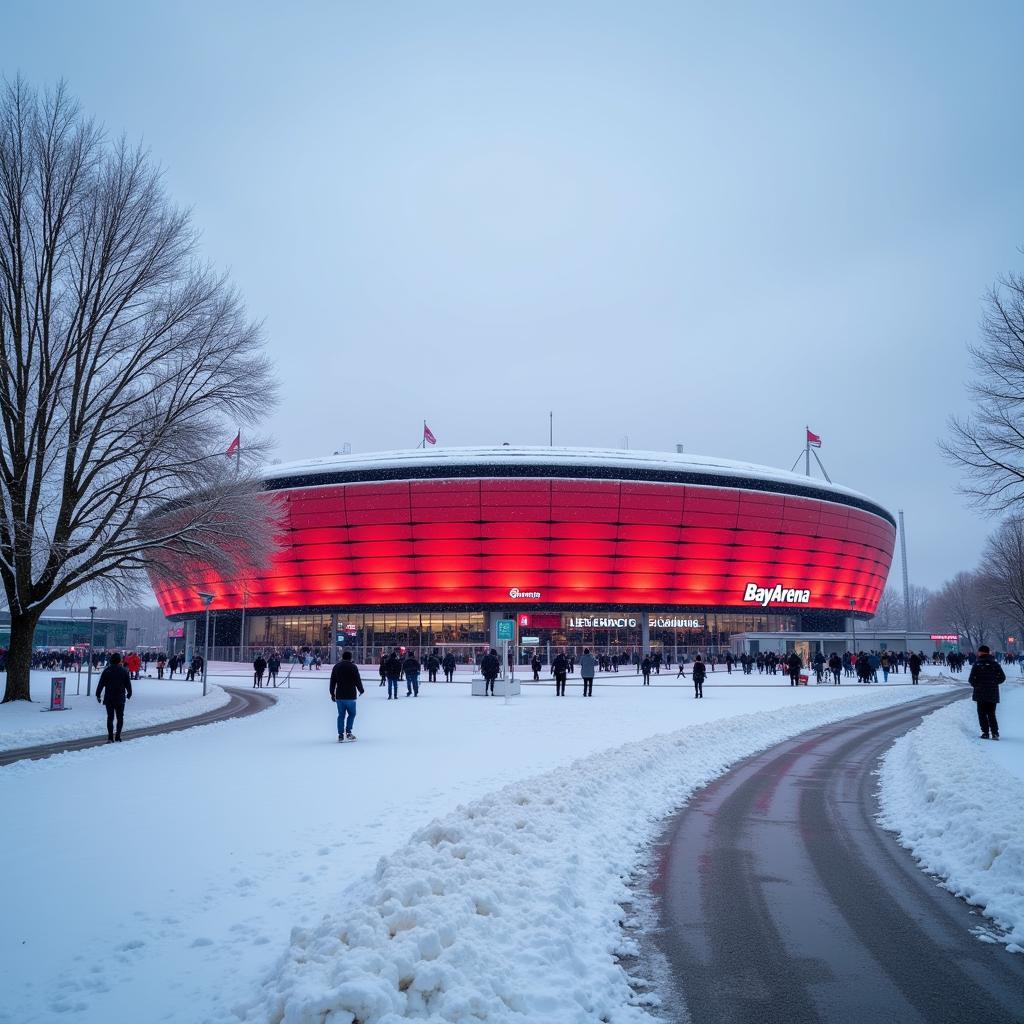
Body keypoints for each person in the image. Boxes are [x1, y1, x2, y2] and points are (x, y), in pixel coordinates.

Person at [969, 645, 1005, 740]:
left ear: (981, 653)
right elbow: (1002, 677)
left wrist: (977, 685)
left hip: (980, 693)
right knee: (991, 713)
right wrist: (994, 683)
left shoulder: (977, 665)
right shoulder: (995, 664)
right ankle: (995, 733)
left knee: (982, 714)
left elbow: (971, 679)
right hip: (992, 693)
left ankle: (985, 732)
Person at [96, 652, 132, 742]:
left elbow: (101, 684)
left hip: (109, 698)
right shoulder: (124, 671)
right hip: (120, 698)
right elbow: (128, 683)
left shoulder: (107, 671)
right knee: (120, 717)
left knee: (110, 717)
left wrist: (98, 694)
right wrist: (129, 693)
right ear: (119, 660)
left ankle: (110, 737)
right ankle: (118, 736)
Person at [329, 650, 364, 742]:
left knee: (341, 715)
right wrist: (361, 689)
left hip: (340, 695)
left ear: (342, 657)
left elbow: (332, 681)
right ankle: (348, 732)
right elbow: (357, 679)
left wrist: (332, 693)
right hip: (350, 695)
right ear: (350, 658)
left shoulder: (336, 667)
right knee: (352, 714)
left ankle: (340, 735)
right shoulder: (353, 667)